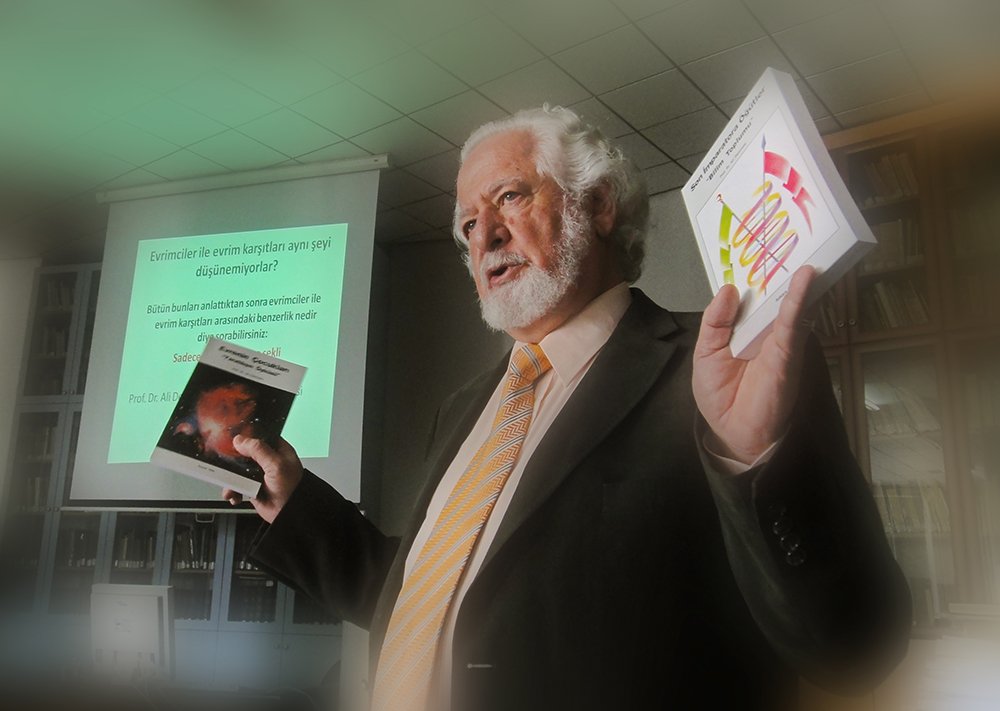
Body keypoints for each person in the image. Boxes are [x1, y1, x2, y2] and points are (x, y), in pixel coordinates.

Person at [224, 106, 910, 711]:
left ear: (599, 204)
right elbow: (426, 600)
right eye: (467, 224)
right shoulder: (462, 408)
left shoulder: (727, 368)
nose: (484, 237)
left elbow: (855, 646)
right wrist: (297, 503)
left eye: (509, 197)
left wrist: (755, 463)